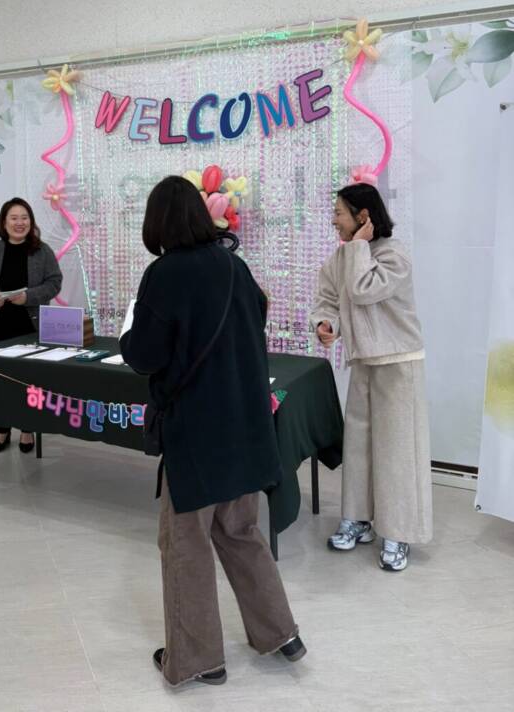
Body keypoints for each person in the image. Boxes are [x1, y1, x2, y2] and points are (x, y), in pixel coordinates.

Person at [120, 176, 305, 688]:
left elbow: (145, 355)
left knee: (186, 544)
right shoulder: (235, 266)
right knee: (241, 532)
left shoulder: (164, 274)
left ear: (157, 222)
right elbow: (256, 322)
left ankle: (200, 658)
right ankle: (281, 633)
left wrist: (130, 333)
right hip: (247, 425)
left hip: (196, 432)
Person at [312, 183, 432, 572]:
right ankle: (358, 519)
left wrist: (359, 246)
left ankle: (398, 532)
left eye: (339, 213)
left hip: (398, 362)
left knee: (397, 452)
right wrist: (326, 323)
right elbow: (328, 298)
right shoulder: (343, 256)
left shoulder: (394, 255)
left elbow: (363, 290)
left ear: (363, 217)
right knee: (359, 447)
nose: (333, 220)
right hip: (363, 361)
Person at [0, 197, 62, 453]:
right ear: (4, 222)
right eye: (14, 218)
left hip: (31, 327)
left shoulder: (42, 251)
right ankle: (1, 429)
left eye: (24, 218)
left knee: (28, 380)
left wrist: (28, 297)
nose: (19, 223)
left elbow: (54, 283)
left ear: (31, 221)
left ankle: (27, 429)